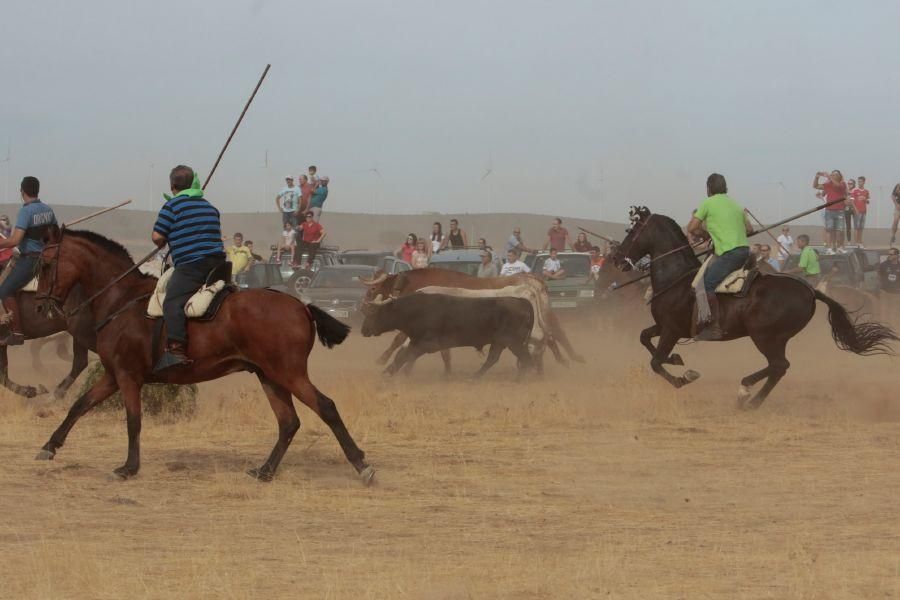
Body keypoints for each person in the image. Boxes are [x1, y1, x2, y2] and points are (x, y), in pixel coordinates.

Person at [151, 165, 226, 370]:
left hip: (193, 266)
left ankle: (176, 350)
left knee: (171, 303)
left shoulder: (172, 206)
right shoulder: (209, 206)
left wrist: (163, 239)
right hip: (219, 265)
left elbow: (157, 237)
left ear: (172, 185)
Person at [687, 173, 752, 341]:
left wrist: (706, 234)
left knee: (704, 285)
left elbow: (692, 227)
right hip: (745, 251)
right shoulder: (736, 204)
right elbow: (750, 230)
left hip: (729, 253)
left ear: (709, 188)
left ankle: (712, 327)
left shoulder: (708, 203)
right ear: (725, 187)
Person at [0, 176, 57, 345]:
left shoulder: (26, 211)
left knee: (4, 290)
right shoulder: (48, 210)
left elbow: (14, 241)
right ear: (37, 190)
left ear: (22, 191)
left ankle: (16, 333)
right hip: (47, 257)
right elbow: (54, 236)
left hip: (31, 260)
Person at [813, 170, 848, 254]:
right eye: (832, 175)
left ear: (839, 176)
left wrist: (829, 177)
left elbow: (837, 185)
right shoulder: (828, 185)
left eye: (835, 175)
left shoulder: (842, 184)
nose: (833, 176)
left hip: (839, 210)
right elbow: (816, 186)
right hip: (829, 210)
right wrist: (817, 177)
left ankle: (839, 247)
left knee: (840, 231)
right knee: (829, 230)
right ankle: (829, 248)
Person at [851, 176, 870, 247]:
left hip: (864, 211)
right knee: (856, 227)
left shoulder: (866, 191)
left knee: (861, 228)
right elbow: (852, 201)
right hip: (857, 211)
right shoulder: (854, 191)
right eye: (858, 181)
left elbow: (868, 201)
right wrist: (855, 209)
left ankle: (860, 242)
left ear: (864, 182)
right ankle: (856, 243)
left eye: (861, 181)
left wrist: (865, 199)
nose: (859, 183)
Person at [844, 178, 856, 244]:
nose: (849, 185)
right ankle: (849, 241)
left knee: (856, 226)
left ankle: (857, 241)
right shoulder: (845, 191)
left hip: (854, 209)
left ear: (854, 184)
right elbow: (844, 200)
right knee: (848, 226)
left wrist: (850, 200)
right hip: (847, 209)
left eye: (851, 183)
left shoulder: (855, 191)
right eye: (848, 183)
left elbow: (854, 200)